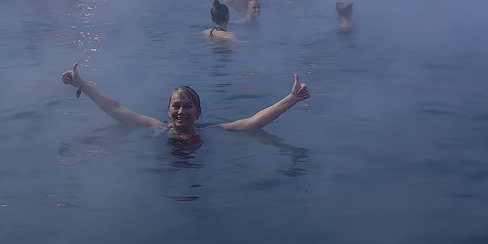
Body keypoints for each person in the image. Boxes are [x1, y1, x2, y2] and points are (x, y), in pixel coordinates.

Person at [60, 63, 310, 140]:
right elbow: (117, 109)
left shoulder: (211, 131)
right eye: (176, 106)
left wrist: (290, 100)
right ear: (167, 110)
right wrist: (82, 84)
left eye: (188, 106)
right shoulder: (156, 127)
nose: (181, 111)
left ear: (198, 113)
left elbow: (253, 122)